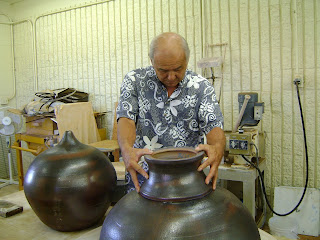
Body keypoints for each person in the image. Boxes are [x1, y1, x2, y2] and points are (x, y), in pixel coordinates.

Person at [116, 32, 226, 193]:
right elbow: (126, 118)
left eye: (178, 69)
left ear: (187, 61)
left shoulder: (201, 87)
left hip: (187, 180)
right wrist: (126, 149)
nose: (171, 76)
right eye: (163, 70)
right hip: (144, 177)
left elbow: (213, 125)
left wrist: (217, 147)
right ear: (151, 61)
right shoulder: (134, 81)